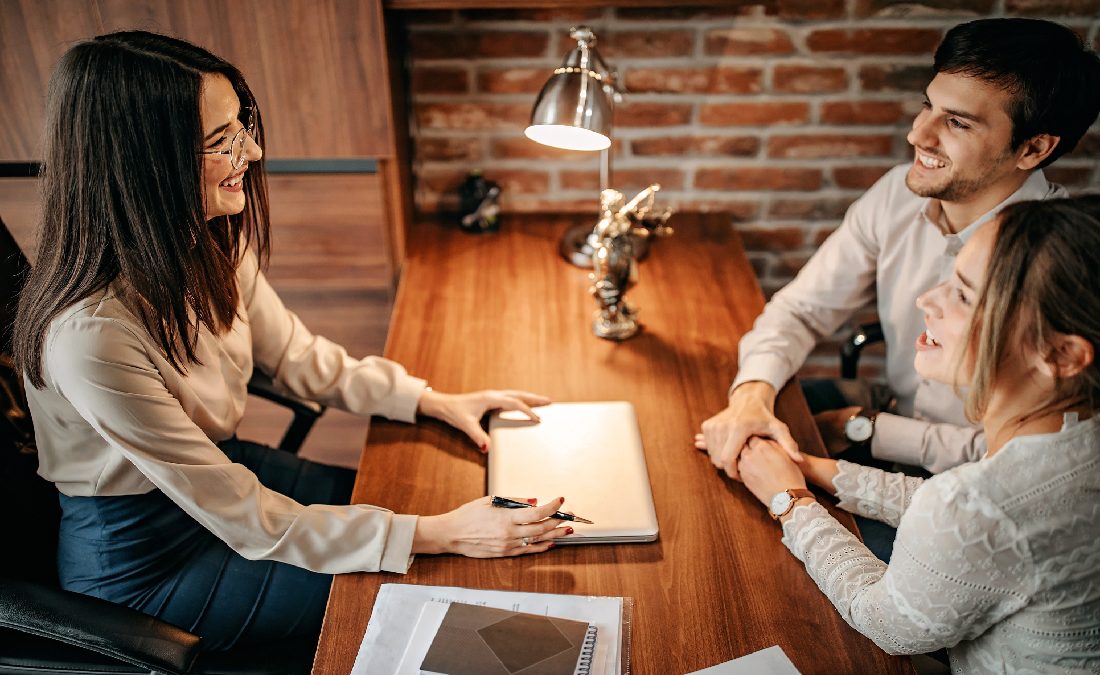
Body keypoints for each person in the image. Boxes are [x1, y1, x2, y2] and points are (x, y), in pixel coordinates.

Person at [13, 32, 571, 651]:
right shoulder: (90, 337)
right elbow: (244, 517)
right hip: (148, 560)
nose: (249, 150)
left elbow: (298, 359)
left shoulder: (205, 238)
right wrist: (440, 534)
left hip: (222, 473)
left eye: (242, 125)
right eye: (222, 140)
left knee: (407, 500)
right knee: (424, 582)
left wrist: (431, 399)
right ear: (143, 163)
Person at [698, 18, 1100, 560]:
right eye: (928, 106)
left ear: (1033, 149)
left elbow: (1041, 460)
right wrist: (752, 396)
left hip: (976, 490)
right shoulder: (897, 194)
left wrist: (867, 431)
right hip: (885, 429)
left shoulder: (1063, 261)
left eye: (956, 122)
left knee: (782, 579)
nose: (919, 134)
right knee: (712, 447)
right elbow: (800, 310)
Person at [734, 197, 1100, 673]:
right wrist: (821, 471)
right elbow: (960, 513)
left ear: (1063, 355)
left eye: (965, 296)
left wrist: (789, 500)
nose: (927, 300)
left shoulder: (974, 502)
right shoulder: (1075, 437)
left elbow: (884, 622)